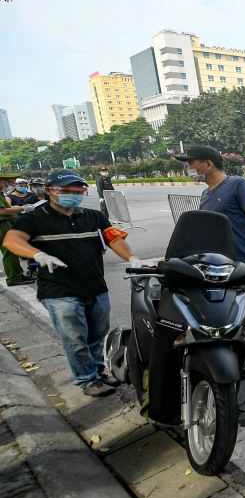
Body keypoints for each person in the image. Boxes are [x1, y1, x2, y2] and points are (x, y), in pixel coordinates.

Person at [2, 169, 141, 397]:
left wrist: (133, 258)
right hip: (59, 292)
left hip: (95, 287)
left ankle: (97, 372)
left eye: (79, 190)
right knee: (75, 338)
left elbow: (114, 238)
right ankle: (87, 380)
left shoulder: (93, 216)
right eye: (66, 190)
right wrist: (38, 255)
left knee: (97, 335)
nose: (74, 194)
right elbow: (12, 239)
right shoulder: (34, 219)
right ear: (49, 191)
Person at [175, 146, 245, 378]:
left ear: (208, 163)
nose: (189, 169)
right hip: (218, 266)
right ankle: (231, 353)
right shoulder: (206, 193)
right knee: (228, 311)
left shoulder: (238, 184)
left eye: (191, 163)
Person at [0, 173, 29, 286]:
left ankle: (18, 274)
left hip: (6, 225)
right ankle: (13, 278)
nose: (5, 185)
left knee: (12, 253)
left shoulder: (1, 194)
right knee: (10, 253)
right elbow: (1, 211)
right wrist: (21, 208)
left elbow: (5, 208)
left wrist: (15, 208)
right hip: (3, 226)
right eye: (5, 182)